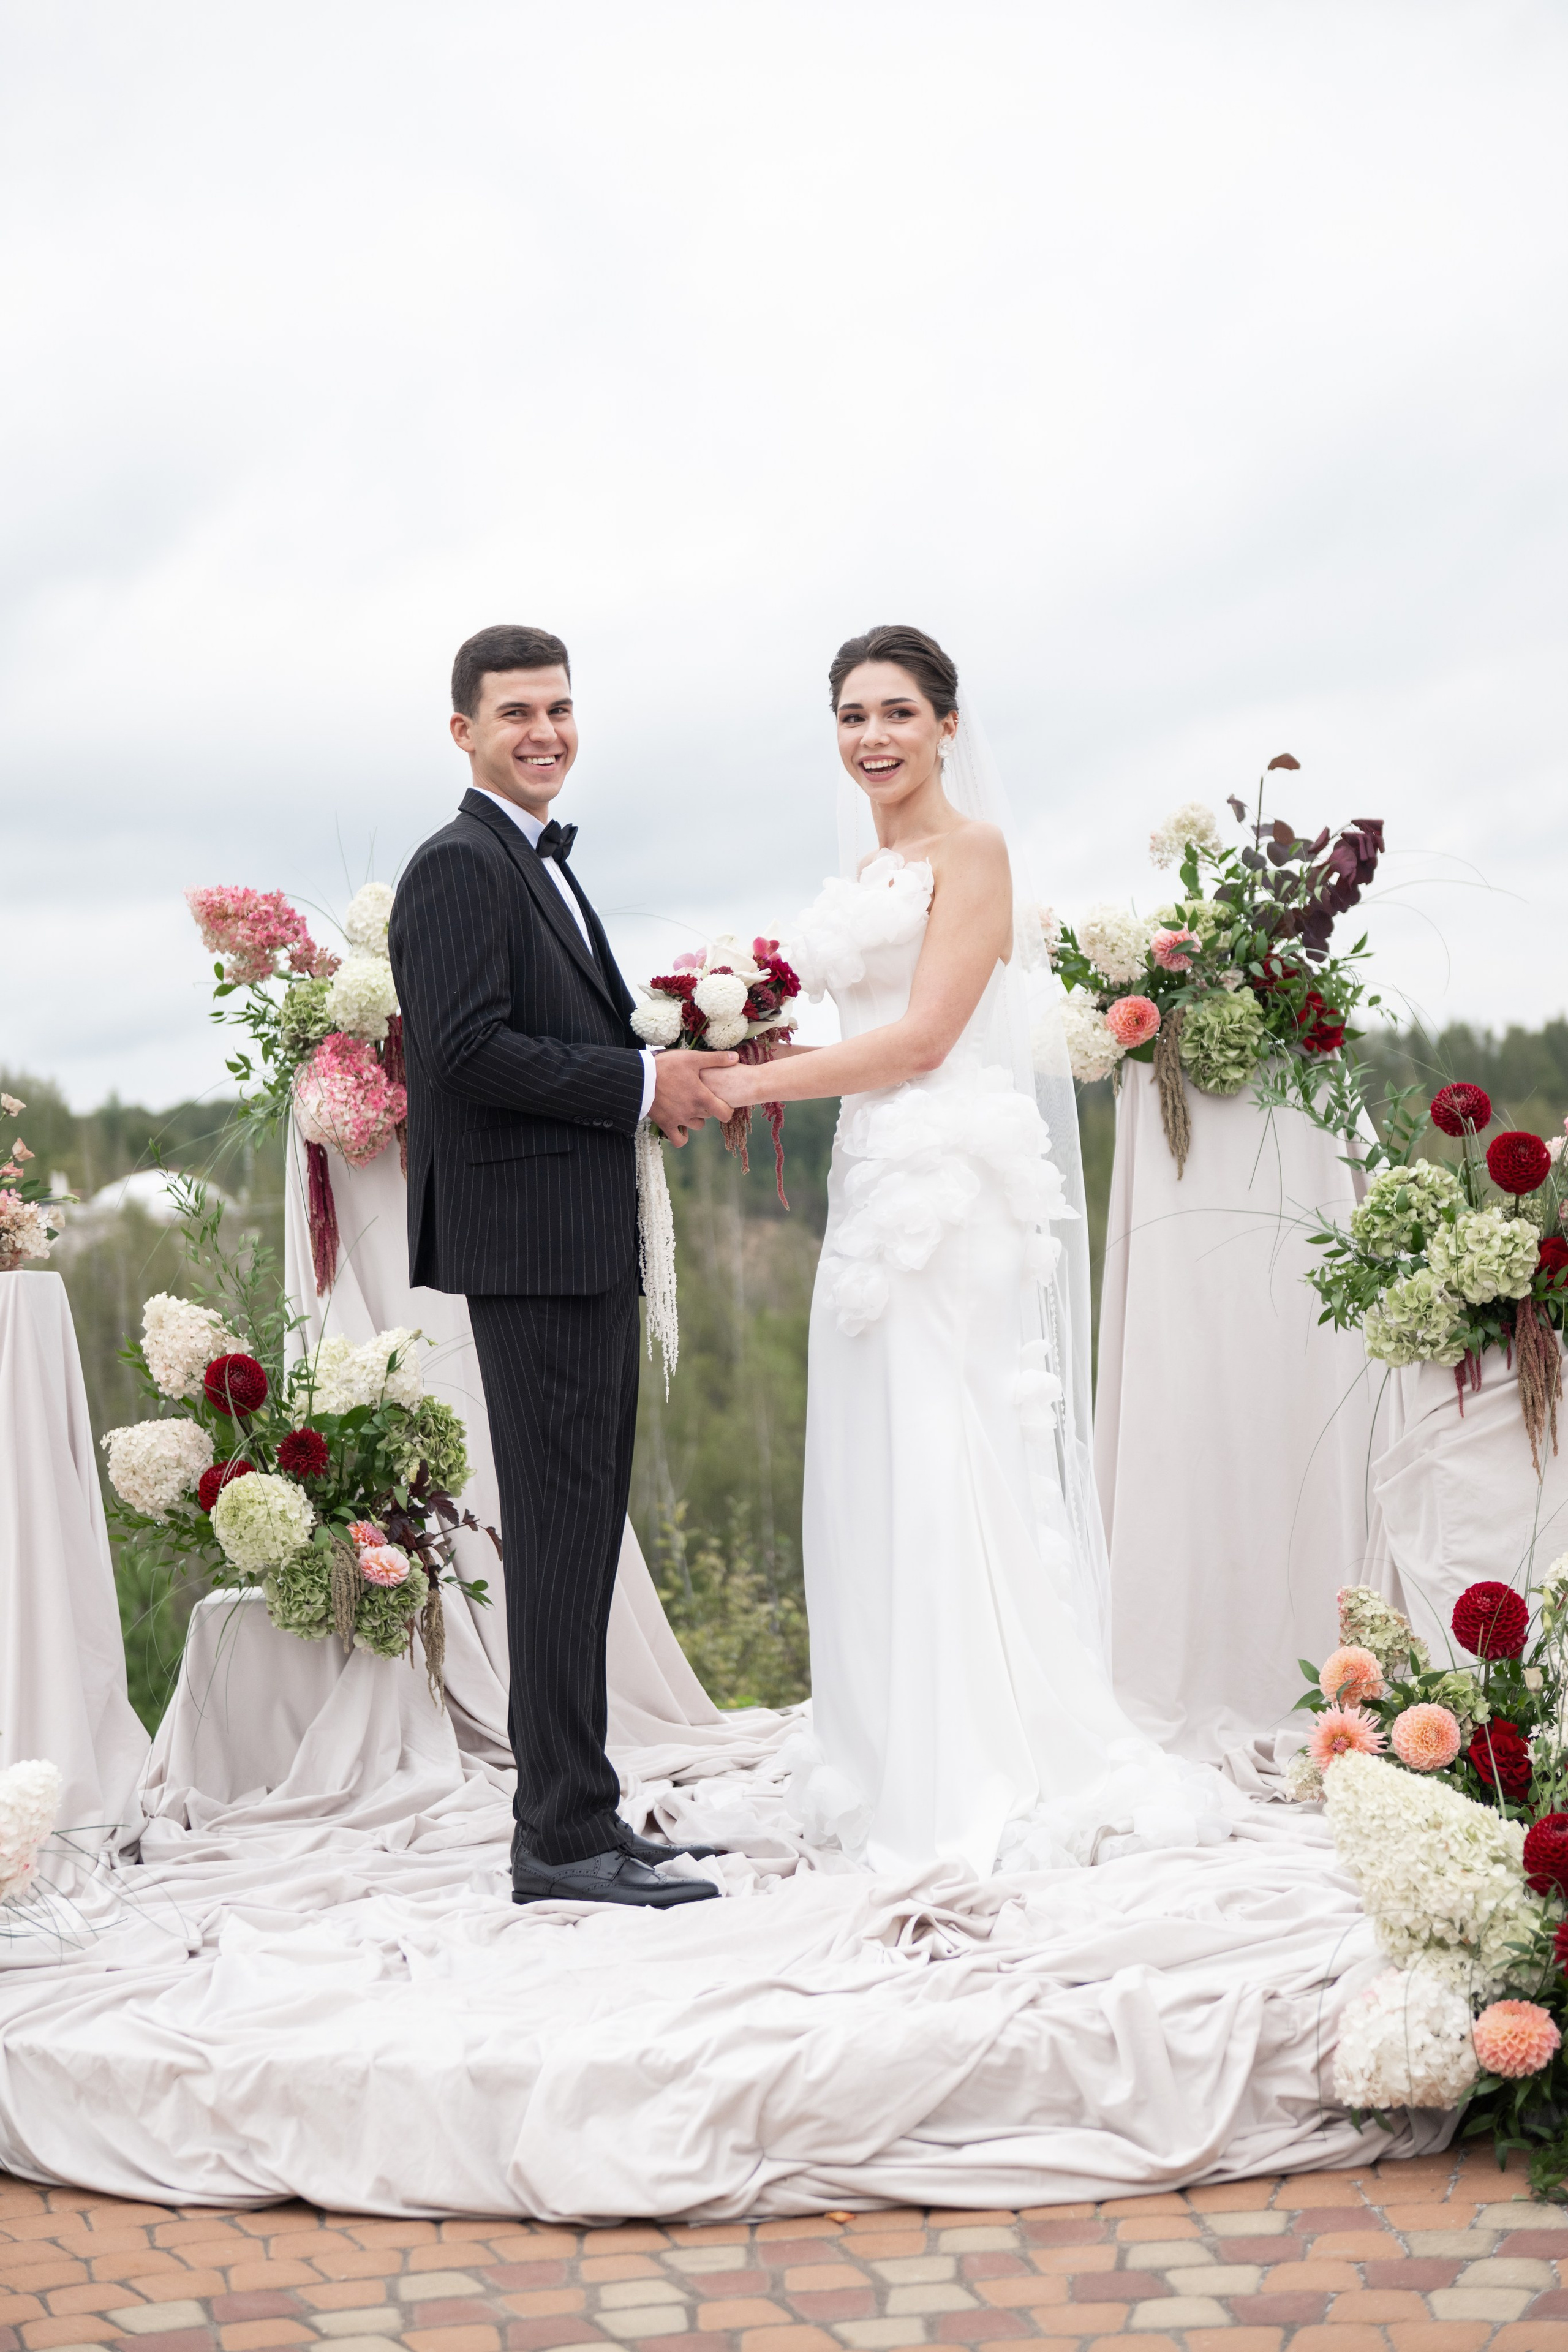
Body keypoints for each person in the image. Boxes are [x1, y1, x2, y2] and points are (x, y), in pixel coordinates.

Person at [704, 625, 1233, 1874]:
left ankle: (973, 1761)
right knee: (874, 1449)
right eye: (849, 716)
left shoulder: (973, 854)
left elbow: (921, 1040)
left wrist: (737, 1087)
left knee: (946, 1451)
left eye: (894, 711)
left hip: (948, 1184)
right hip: (873, 1176)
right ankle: (892, 1748)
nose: (870, 736)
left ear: (946, 724)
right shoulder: (864, 868)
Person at [389, 624, 736, 1908]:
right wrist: (645, 1078)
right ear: (463, 731)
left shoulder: (531, 862)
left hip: (578, 1237)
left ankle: (583, 1808)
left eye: (559, 708)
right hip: (529, 1248)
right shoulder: (457, 866)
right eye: (515, 711)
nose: (543, 731)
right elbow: (465, 1054)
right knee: (551, 1536)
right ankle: (557, 1842)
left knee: (579, 1534)